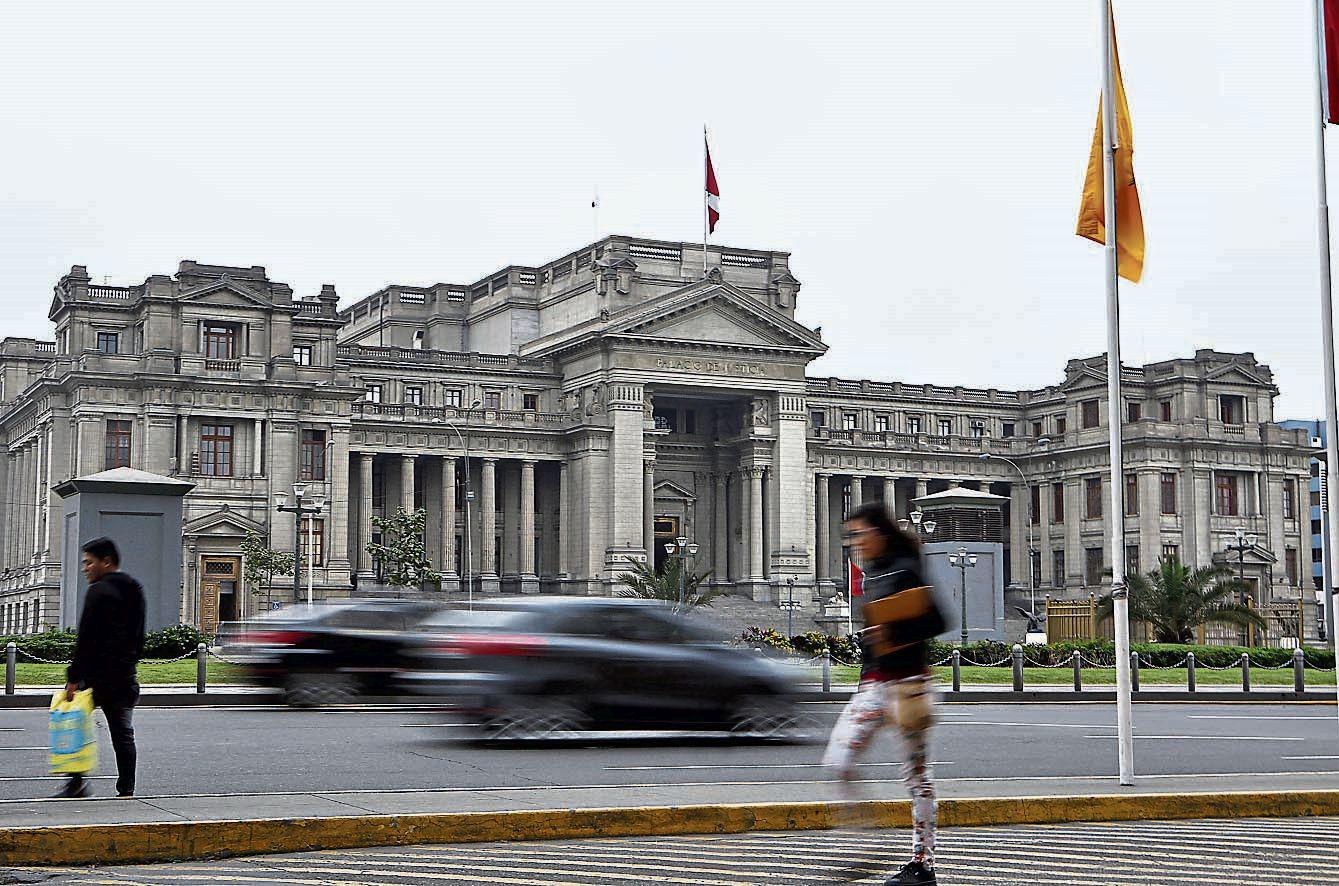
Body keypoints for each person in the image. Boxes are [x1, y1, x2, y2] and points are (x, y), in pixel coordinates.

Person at [823, 502, 944, 886]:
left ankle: (923, 864)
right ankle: (864, 844)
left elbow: (938, 620)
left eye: (859, 534)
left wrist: (891, 633)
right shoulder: (871, 573)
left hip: (908, 685)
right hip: (874, 684)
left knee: (917, 777)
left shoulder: (906, 569)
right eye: (850, 536)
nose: (854, 542)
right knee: (839, 761)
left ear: (879, 532)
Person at [57, 537, 145, 799]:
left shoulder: (98, 591)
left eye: (88, 563)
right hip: (124, 676)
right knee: (123, 733)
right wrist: (129, 663)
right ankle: (126, 788)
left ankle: (75, 783)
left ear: (105, 562)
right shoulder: (134, 588)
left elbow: (87, 638)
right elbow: (138, 636)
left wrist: (73, 678)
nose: (85, 568)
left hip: (95, 678)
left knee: (76, 726)